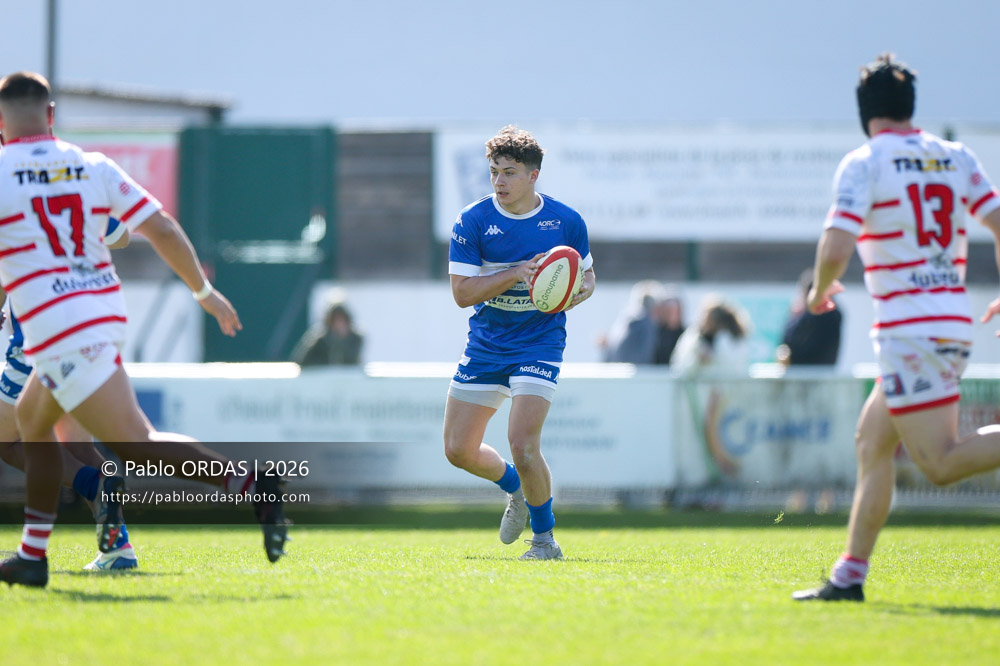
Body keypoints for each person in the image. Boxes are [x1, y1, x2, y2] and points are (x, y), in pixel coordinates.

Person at [0, 72, 288, 588]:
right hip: (97, 318)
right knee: (35, 425)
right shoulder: (92, 166)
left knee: (133, 444)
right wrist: (204, 292)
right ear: (50, 115)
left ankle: (252, 485)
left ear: (1, 123)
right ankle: (33, 556)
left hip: (58, 328)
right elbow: (158, 229)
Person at [793, 54, 1000, 602]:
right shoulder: (954, 156)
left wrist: (819, 292)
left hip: (912, 329)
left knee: (939, 462)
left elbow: (836, 246)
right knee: (872, 441)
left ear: (866, 113)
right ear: (911, 107)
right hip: (948, 319)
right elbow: (998, 220)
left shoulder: (866, 161)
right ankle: (849, 577)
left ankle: (849, 576)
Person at [443, 125, 595, 560]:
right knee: (457, 450)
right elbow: (461, 294)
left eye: (509, 173)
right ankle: (516, 490)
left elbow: (587, 278)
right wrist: (515, 273)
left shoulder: (566, 221)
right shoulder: (473, 221)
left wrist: (573, 293)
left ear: (534, 175)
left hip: (539, 341)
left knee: (524, 444)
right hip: (487, 341)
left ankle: (545, 541)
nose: (499, 182)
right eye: (493, 172)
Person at [0, 218, 141, 571]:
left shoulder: (14, 192)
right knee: (78, 448)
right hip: (86, 339)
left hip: (38, 345)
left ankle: (90, 484)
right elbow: (122, 236)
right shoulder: (79, 189)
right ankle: (118, 548)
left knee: (6, 441)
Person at [775, 268, 842, 366]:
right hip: (807, 372)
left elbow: (813, 348)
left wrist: (790, 357)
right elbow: (785, 343)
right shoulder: (803, 315)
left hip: (814, 372)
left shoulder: (828, 315)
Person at [669, 296, 750, 376]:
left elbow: (735, 367)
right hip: (699, 386)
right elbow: (680, 365)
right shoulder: (694, 337)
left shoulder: (733, 338)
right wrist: (697, 360)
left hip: (727, 387)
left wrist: (713, 359)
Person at [291, 300, 363, 366]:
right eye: (336, 320)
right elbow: (301, 360)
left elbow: (351, 360)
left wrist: (342, 340)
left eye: (342, 320)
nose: (340, 324)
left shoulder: (355, 339)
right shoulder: (319, 339)